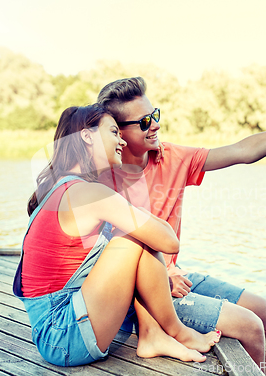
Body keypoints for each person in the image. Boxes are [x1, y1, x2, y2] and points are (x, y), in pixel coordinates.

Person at [97, 77, 266, 376]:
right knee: (251, 326)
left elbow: (243, 151)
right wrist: (161, 278)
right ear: (118, 132)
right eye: (144, 122)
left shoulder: (171, 157)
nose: (155, 125)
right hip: (137, 298)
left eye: (155, 115)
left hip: (174, 277)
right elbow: (103, 262)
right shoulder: (103, 177)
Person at [12, 104, 221, 367]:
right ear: (87, 136)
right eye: (113, 131)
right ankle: (176, 331)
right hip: (63, 335)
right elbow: (169, 241)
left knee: (131, 234)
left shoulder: (64, 187)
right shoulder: (87, 193)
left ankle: (152, 335)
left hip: (57, 327)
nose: (121, 139)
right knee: (132, 238)